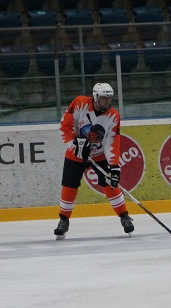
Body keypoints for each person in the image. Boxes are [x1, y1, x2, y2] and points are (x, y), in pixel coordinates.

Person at [54, 83, 133, 240]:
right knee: (69, 185)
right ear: (96, 97)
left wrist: (114, 166)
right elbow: (65, 126)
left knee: (110, 183)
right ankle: (64, 220)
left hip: (99, 155)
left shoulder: (113, 116)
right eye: (104, 98)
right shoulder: (80, 103)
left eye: (109, 98)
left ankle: (124, 216)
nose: (107, 101)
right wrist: (75, 145)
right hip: (75, 154)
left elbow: (112, 142)